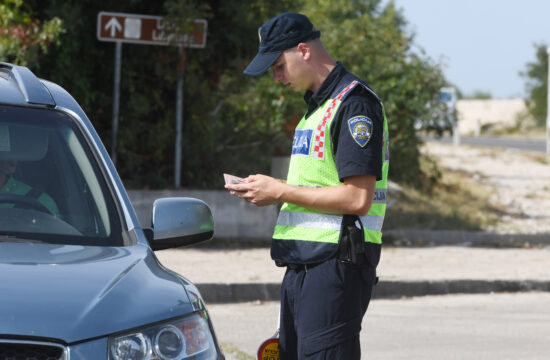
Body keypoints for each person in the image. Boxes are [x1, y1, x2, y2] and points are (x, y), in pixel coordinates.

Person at [226, 12, 389, 360]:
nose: (276, 76)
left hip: (336, 266)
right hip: (304, 265)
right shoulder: (316, 110)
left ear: (303, 50)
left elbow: (358, 197)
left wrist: (280, 191)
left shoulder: (355, 105)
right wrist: (269, 190)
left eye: (278, 65)